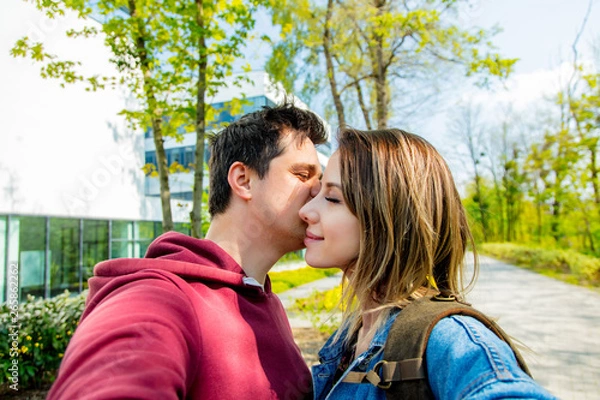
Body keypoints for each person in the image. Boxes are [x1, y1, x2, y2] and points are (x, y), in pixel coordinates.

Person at [47, 102, 327, 400]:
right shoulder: (156, 299)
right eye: (302, 174)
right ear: (243, 181)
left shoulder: (266, 301)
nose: (318, 190)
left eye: (319, 179)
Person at [299, 128, 557, 399]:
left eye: (332, 198)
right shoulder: (349, 338)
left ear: (392, 216)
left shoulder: (451, 340)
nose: (306, 211)